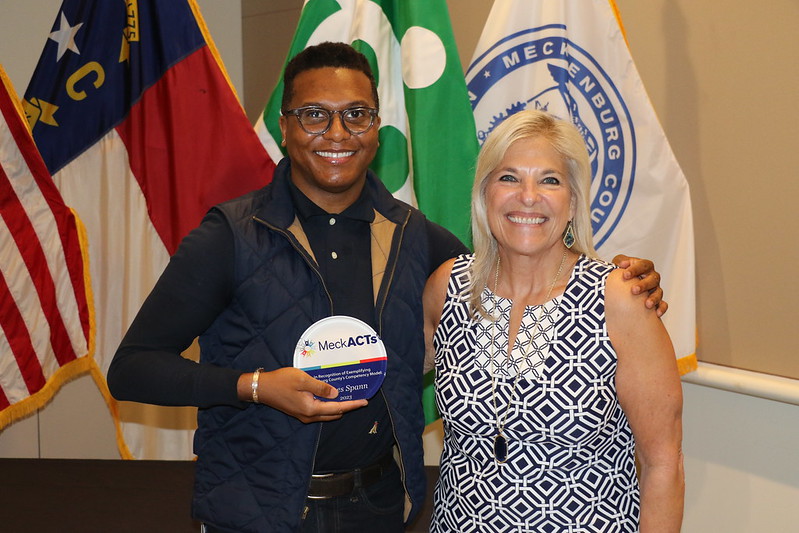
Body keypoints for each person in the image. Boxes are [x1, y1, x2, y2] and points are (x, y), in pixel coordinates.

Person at [107, 43, 666, 533]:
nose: (336, 134)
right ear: (284, 125)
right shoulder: (229, 236)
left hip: (376, 510)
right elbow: (132, 367)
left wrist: (629, 280)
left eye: (356, 115)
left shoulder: (415, 238)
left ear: (377, 127)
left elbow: (520, 254)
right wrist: (256, 386)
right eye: (313, 116)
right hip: (257, 511)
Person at [423, 110, 684, 532]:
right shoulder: (449, 286)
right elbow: (387, 381)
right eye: (508, 178)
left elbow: (663, 462)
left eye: (549, 180)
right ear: (484, 192)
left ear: (574, 201)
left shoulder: (618, 297)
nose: (528, 196)